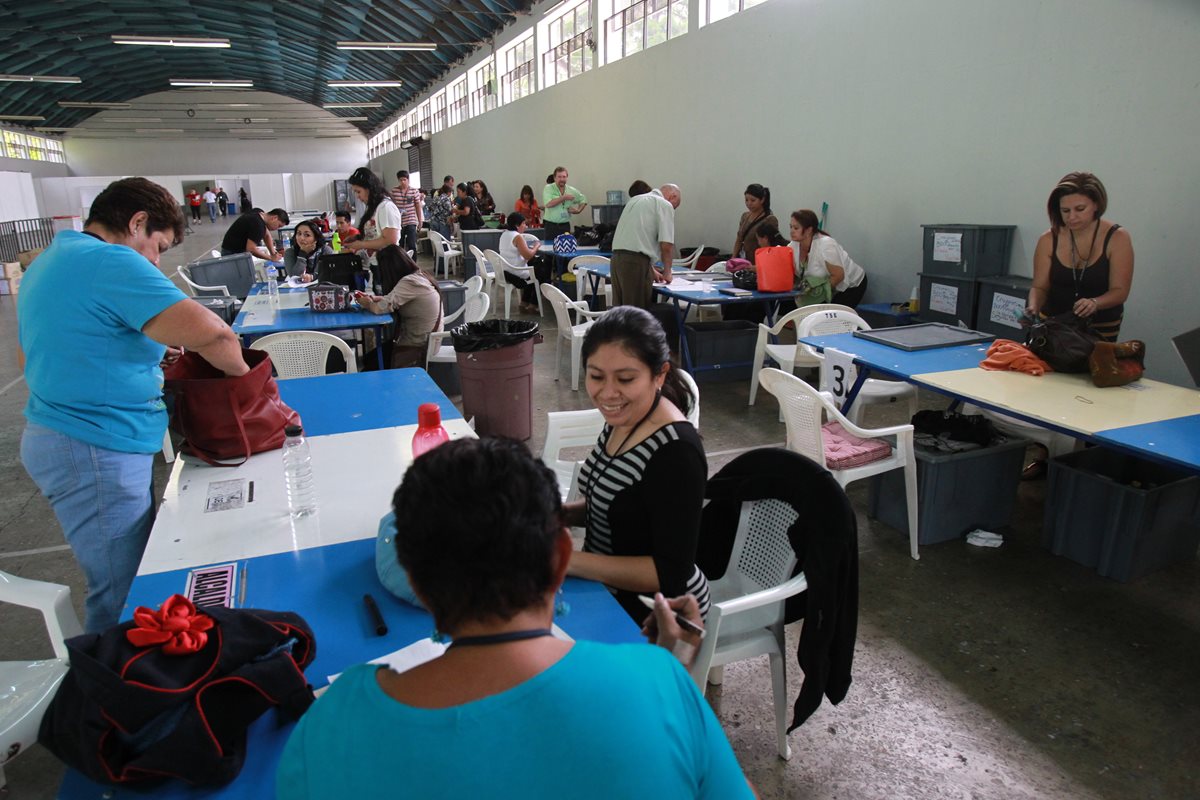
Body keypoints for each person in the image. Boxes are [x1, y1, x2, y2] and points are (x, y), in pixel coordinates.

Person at [275, 436, 753, 800]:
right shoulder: (663, 684)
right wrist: (669, 677)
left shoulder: (330, 725)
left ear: (413, 581)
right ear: (562, 556)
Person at [18, 178, 250, 633]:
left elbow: (56, 346)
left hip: (66, 434)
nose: (156, 261)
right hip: (92, 446)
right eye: (157, 245)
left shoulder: (54, 259)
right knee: (122, 589)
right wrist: (248, 381)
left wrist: (145, 350)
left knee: (127, 572)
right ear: (137, 222)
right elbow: (217, 335)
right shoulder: (110, 260)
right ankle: (118, 688)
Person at [564, 306, 711, 624]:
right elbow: (621, 504)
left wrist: (566, 561)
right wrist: (559, 515)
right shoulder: (625, 416)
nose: (607, 393)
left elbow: (671, 572)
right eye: (596, 376)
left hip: (658, 612)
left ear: (659, 375)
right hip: (605, 589)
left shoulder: (676, 452)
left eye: (626, 379)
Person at [1027, 171, 1133, 343]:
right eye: (1065, 211)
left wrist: (1095, 303)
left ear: (1096, 205)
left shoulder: (1117, 237)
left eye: (1080, 209)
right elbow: (1040, 287)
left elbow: (1120, 291)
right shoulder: (1048, 239)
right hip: (1053, 326)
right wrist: (1032, 308)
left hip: (1099, 330)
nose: (1072, 217)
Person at [355, 245, 443, 369]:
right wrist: (375, 299)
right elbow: (392, 299)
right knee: (371, 358)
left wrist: (367, 303)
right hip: (427, 341)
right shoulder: (420, 276)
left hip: (417, 346)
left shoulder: (409, 282)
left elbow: (379, 308)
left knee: (371, 365)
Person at [609, 183, 681, 309]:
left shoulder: (635, 200)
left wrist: (650, 269)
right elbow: (666, 245)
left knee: (620, 313)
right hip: (634, 264)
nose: (673, 210)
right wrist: (668, 272)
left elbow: (633, 240)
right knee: (635, 313)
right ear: (672, 197)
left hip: (616, 260)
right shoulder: (664, 204)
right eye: (675, 207)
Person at [788, 209, 868, 308]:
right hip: (827, 286)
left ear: (809, 230)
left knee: (831, 319)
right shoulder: (792, 246)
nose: (791, 231)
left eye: (796, 228)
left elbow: (838, 276)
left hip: (850, 286)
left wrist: (815, 296)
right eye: (790, 227)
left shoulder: (826, 245)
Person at [342, 167, 401, 267]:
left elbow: (390, 241)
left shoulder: (385, 207)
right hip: (374, 262)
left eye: (358, 192)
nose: (357, 196)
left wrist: (361, 244)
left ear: (369, 189)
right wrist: (357, 238)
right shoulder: (373, 207)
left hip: (387, 264)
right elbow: (374, 234)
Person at [498, 212, 552, 313]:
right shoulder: (518, 237)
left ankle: (524, 302)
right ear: (517, 225)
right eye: (523, 224)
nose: (525, 226)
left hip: (506, 270)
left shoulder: (504, 234)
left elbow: (517, 253)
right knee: (542, 272)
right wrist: (536, 246)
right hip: (516, 272)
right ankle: (533, 304)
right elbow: (528, 255)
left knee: (536, 266)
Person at [731, 184, 778, 265]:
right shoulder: (745, 216)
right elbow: (739, 238)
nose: (749, 203)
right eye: (746, 200)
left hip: (759, 263)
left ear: (762, 200)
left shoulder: (769, 219)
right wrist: (733, 258)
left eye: (753, 200)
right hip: (744, 261)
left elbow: (771, 246)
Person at [220, 207, 290, 259]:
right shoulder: (258, 225)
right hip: (231, 254)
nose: (276, 228)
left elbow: (267, 235)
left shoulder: (259, 212)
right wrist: (270, 258)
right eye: (279, 225)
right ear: (274, 218)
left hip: (231, 248)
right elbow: (251, 249)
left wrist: (273, 253)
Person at [541, 166, 588, 240]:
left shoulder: (571, 190)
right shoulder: (548, 188)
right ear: (554, 178)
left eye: (564, 177)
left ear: (567, 177)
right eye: (559, 177)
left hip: (565, 226)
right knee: (549, 248)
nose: (562, 179)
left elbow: (583, 199)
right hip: (551, 226)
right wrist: (564, 197)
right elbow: (548, 204)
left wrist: (578, 210)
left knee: (565, 249)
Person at [390, 170, 424, 254]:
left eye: (404, 179)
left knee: (412, 244)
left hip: (411, 220)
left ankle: (413, 264)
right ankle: (401, 263)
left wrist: (420, 221)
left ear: (408, 180)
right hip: (398, 221)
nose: (403, 182)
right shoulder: (394, 191)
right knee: (399, 244)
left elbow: (418, 207)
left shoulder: (414, 191)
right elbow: (390, 206)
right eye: (400, 180)